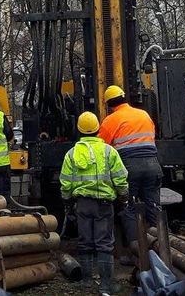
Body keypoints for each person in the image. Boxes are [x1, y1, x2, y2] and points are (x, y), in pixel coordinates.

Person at [62, 111, 128, 295]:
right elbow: (120, 178)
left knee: (85, 242)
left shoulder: (72, 153)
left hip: (82, 204)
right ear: (98, 129)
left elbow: (66, 182)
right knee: (104, 243)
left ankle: (86, 282)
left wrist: (67, 202)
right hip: (104, 204)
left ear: (79, 130)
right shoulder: (109, 151)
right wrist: (124, 197)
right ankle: (106, 286)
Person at [98, 85, 163, 242]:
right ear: (124, 97)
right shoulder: (144, 115)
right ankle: (160, 245)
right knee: (153, 206)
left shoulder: (111, 120)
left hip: (130, 168)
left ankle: (135, 250)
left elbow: (100, 146)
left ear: (108, 104)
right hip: (153, 165)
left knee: (129, 208)